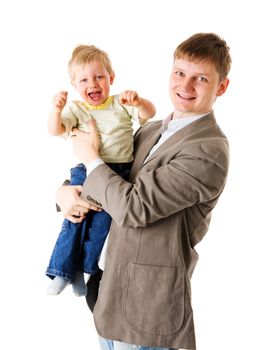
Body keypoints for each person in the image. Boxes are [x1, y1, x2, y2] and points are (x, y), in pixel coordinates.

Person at [55, 32, 231, 350]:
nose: (185, 86)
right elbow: (113, 176)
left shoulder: (208, 150)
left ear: (221, 87)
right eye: (180, 73)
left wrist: (89, 157)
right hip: (107, 290)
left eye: (201, 78)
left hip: (146, 306)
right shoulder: (151, 128)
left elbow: (134, 207)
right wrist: (65, 193)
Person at [45, 44, 156, 296]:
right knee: (75, 219)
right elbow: (55, 130)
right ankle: (62, 271)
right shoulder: (77, 108)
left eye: (99, 77)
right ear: (74, 85)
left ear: (111, 79)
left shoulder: (120, 103)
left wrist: (138, 101)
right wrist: (57, 109)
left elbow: (149, 113)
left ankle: (84, 269)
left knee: (102, 225)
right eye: (84, 79)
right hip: (86, 170)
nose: (92, 84)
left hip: (118, 173)